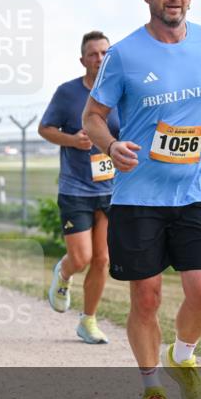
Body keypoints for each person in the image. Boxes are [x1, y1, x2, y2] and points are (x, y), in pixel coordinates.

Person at [83, 0, 201, 399]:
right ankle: (153, 390)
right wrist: (111, 144)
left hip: (196, 190)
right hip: (138, 198)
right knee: (146, 300)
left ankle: (183, 355)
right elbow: (92, 118)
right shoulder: (125, 54)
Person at [40, 31, 120, 345]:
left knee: (103, 259)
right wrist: (72, 140)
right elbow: (45, 128)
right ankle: (64, 272)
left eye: (104, 53)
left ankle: (88, 321)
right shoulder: (68, 93)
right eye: (93, 54)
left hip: (111, 187)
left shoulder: (121, 93)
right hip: (76, 187)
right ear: (83, 59)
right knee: (83, 257)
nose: (99, 59)